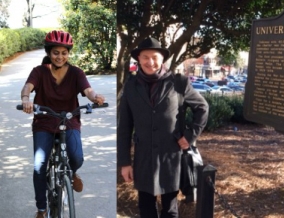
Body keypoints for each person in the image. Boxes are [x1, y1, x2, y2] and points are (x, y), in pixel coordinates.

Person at [117, 37, 209, 218]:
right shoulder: (131, 86)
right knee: (146, 209)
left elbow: (202, 108)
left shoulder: (178, 82)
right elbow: (124, 127)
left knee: (170, 210)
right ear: (139, 59)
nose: (150, 62)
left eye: (154, 57)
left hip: (171, 156)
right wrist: (125, 162)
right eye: (145, 57)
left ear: (162, 59)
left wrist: (190, 136)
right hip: (143, 157)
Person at [20, 30, 105, 218]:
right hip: (44, 121)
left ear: (68, 53)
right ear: (49, 53)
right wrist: (26, 99)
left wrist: (95, 97)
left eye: (64, 52)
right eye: (56, 52)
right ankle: (42, 209)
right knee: (39, 165)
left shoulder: (76, 73)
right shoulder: (39, 71)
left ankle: (72, 174)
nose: (60, 56)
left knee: (76, 157)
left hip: (69, 120)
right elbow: (28, 86)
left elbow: (88, 90)